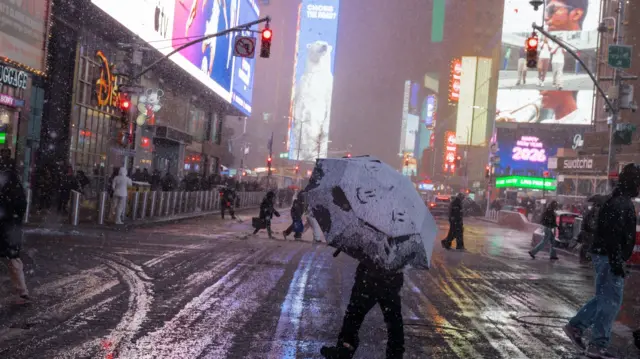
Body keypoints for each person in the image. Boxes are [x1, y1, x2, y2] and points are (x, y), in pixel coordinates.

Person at [564, 163, 640, 359]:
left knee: (604, 298)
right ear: (633, 182)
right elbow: (613, 235)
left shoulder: (617, 200)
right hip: (609, 257)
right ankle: (597, 343)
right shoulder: (621, 203)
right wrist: (616, 260)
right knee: (611, 300)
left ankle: (577, 327)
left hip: (605, 255)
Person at [320, 261, 404, 359]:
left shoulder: (374, 248)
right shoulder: (401, 248)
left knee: (354, 315)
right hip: (391, 280)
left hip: (369, 277)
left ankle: (345, 348)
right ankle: (395, 355)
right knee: (394, 320)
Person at [0, 160, 29, 304]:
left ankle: (22, 292)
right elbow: (21, 206)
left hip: (6, 226)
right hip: (12, 229)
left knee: (13, 260)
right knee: (14, 260)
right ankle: (22, 291)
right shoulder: (16, 187)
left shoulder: (4, 186)